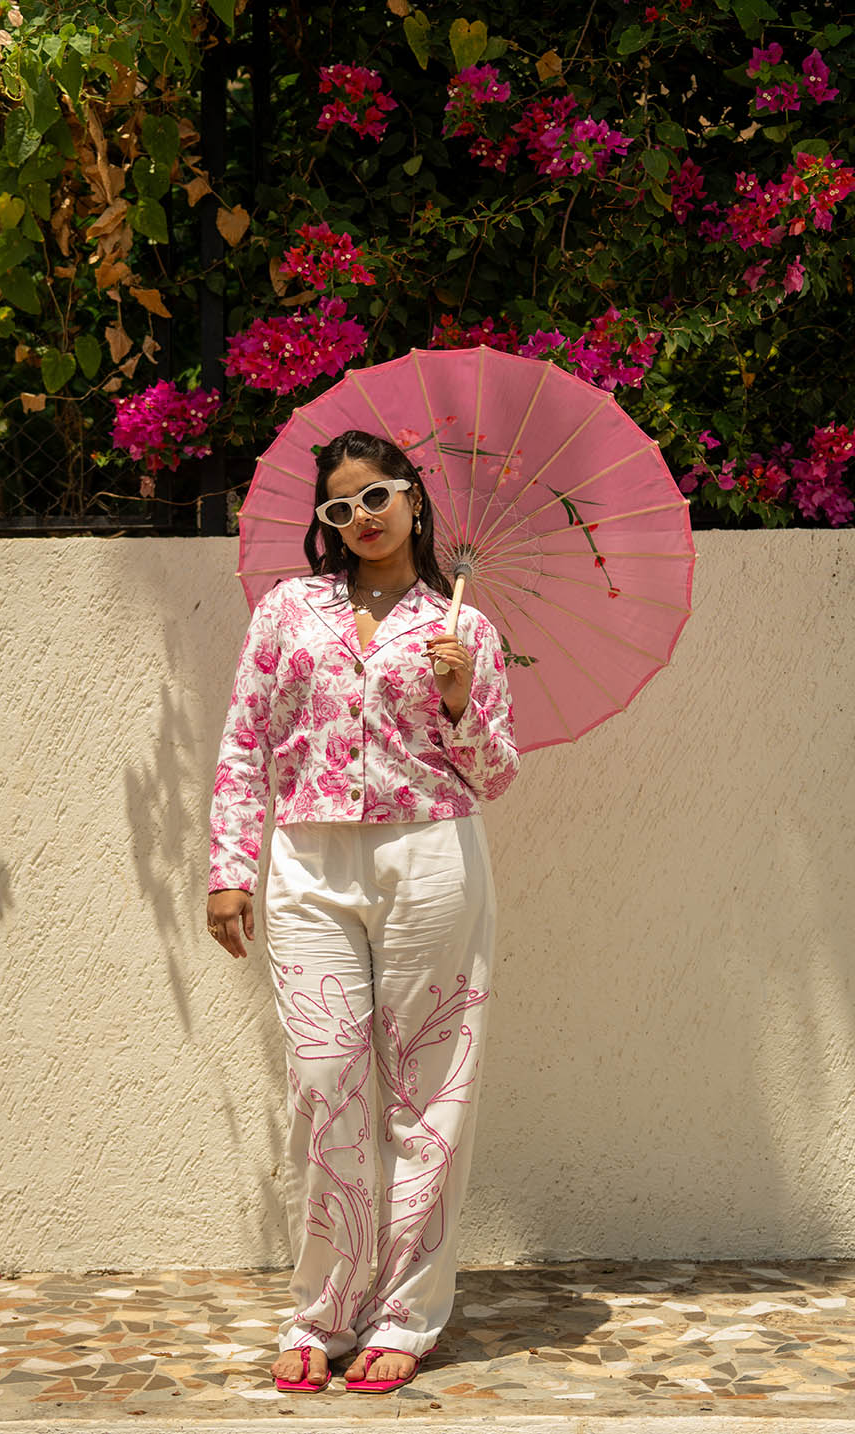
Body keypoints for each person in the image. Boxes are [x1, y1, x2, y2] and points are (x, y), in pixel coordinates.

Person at [206, 428, 520, 1394]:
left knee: (429, 1096)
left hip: (432, 855)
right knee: (327, 1084)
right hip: (308, 861)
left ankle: (405, 1313)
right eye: (338, 509)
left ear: (414, 498)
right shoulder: (287, 612)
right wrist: (230, 865)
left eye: (376, 497)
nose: (360, 520)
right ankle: (325, 1310)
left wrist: (462, 702)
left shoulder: (460, 628)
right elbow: (244, 740)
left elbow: (499, 773)